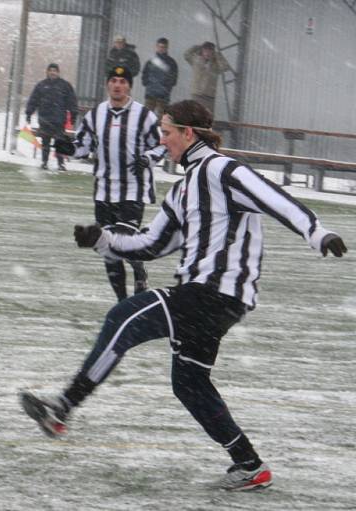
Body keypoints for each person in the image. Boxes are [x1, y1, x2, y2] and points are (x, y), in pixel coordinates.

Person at [21, 99, 348, 491]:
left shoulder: (223, 170)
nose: (162, 141)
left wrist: (318, 233)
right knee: (188, 383)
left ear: (188, 134)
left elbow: (277, 200)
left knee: (122, 317)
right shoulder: (182, 190)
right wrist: (103, 239)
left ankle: (62, 408)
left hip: (215, 292)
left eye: (166, 132)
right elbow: (151, 244)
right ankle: (249, 465)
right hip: (207, 297)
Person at [56, 65, 165, 302]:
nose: (117, 85)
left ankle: (138, 271)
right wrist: (68, 149)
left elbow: (161, 144)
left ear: (129, 87)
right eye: (114, 80)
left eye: (122, 81)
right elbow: (83, 145)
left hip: (133, 190)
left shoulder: (144, 115)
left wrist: (147, 158)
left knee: (126, 240)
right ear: (108, 84)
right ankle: (121, 302)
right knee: (107, 248)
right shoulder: (95, 115)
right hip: (104, 190)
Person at [25, 63, 78, 171]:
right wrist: (29, 113)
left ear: (58, 72)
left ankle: (61, 164)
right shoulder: (41, 85)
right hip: (45, 119)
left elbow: (72, 101)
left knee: (60, 142)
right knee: (45, 142)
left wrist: (73, 115)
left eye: (55, 70)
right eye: (51, 70)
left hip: (59, 120)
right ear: (47, 72)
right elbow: (33, 100)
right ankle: (44, 162)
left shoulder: (65, 86)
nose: (52, 72)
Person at [184, 41, 230, 116]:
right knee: (194, 116)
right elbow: (186, 55)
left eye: (210, 51)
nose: (207, 53)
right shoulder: (196, 60)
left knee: (208, 118)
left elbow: (225, 67)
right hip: (197, 94)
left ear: (213, 52)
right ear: (202, 51)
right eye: (205, 50)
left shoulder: (215, 64)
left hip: (209, 96)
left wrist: (218, 55)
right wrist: (196, 47)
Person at [141, 37, 178, 118]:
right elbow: (144, 74)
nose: (161, 49)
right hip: (150, 94)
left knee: (162, 119)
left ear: (167, 48)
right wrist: (147, 84)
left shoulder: (171, 62)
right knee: (147, 117)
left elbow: (174, 78)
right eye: (159, 46)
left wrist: (166, 87)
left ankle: (160, 131)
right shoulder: (150, 61)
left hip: (163, 96)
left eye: (163, 47)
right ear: (156, 47)